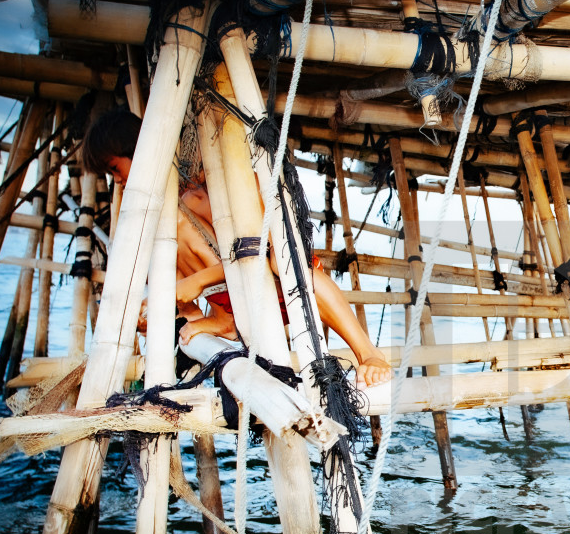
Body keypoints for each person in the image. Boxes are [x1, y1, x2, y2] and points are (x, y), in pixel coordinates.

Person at [82, 106, 392, 389]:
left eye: (114, 168)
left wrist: (198, 281)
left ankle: (368, 353)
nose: (117, 181)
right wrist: (161, 312)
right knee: (166, 231)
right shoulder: (167, 208)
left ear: (139, 150)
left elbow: (270, 250)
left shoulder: (204, 188)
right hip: (237, 298)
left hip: (282, 286)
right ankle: (222, 318)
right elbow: (180, 280)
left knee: (280, 262)